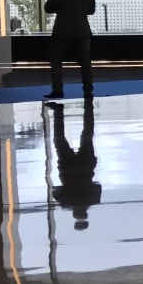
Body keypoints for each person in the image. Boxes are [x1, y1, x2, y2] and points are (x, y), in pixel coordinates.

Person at [44, 0, 96, 101]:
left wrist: (61, 8)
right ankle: (88, 90)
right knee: (85, 61)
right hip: (82, 30)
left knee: (56, 60)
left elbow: (48, 8)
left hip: (62, 30)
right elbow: (91, 11)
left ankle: (58, 90)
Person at [51, 99, 100, 230]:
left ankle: (88, 105)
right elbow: (55, 191)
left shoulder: (93, 200)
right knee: (59, 140)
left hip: (86, 167)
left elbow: (98, 186)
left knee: (87, 134)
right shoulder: (66, 203)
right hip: (67, 169)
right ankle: (58, 111)